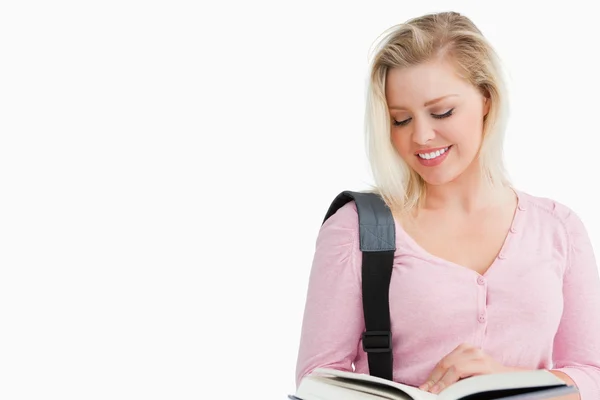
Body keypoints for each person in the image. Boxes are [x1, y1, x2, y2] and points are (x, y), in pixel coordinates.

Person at [294, 11, 600, 400]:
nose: (421, 136)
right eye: (400, 120)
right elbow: (318, 383)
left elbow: (592, 374)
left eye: (442, 112)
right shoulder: (355, 229)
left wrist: (506, 382)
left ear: (486, 98)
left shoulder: (559, 228)